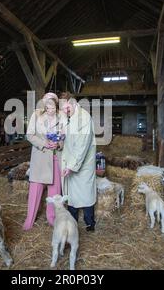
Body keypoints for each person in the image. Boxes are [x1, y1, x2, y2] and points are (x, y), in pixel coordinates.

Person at [23, 92, 66, 230]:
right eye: (46, 102)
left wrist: (59, 144)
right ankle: (29, 220)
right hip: (40, 158)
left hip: (55, 159)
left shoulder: (61, 116)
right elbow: (29, 135)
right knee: (35, 191)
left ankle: (52, 218)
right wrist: (43, 143)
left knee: (55, 192)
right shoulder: (36, 115)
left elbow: (66, 137)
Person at [60, 92, 97, 232]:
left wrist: (71, 166)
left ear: (74, 103)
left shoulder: (84, 117)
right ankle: (72, 222)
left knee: (86, 194)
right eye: (62, 109)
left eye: (67, 108)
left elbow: (82, 145)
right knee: (71, 196)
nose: (65, 111)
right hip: (72, 162)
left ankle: (90, 223)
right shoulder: (72, 117)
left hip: (83, 164)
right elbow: (69, 139)